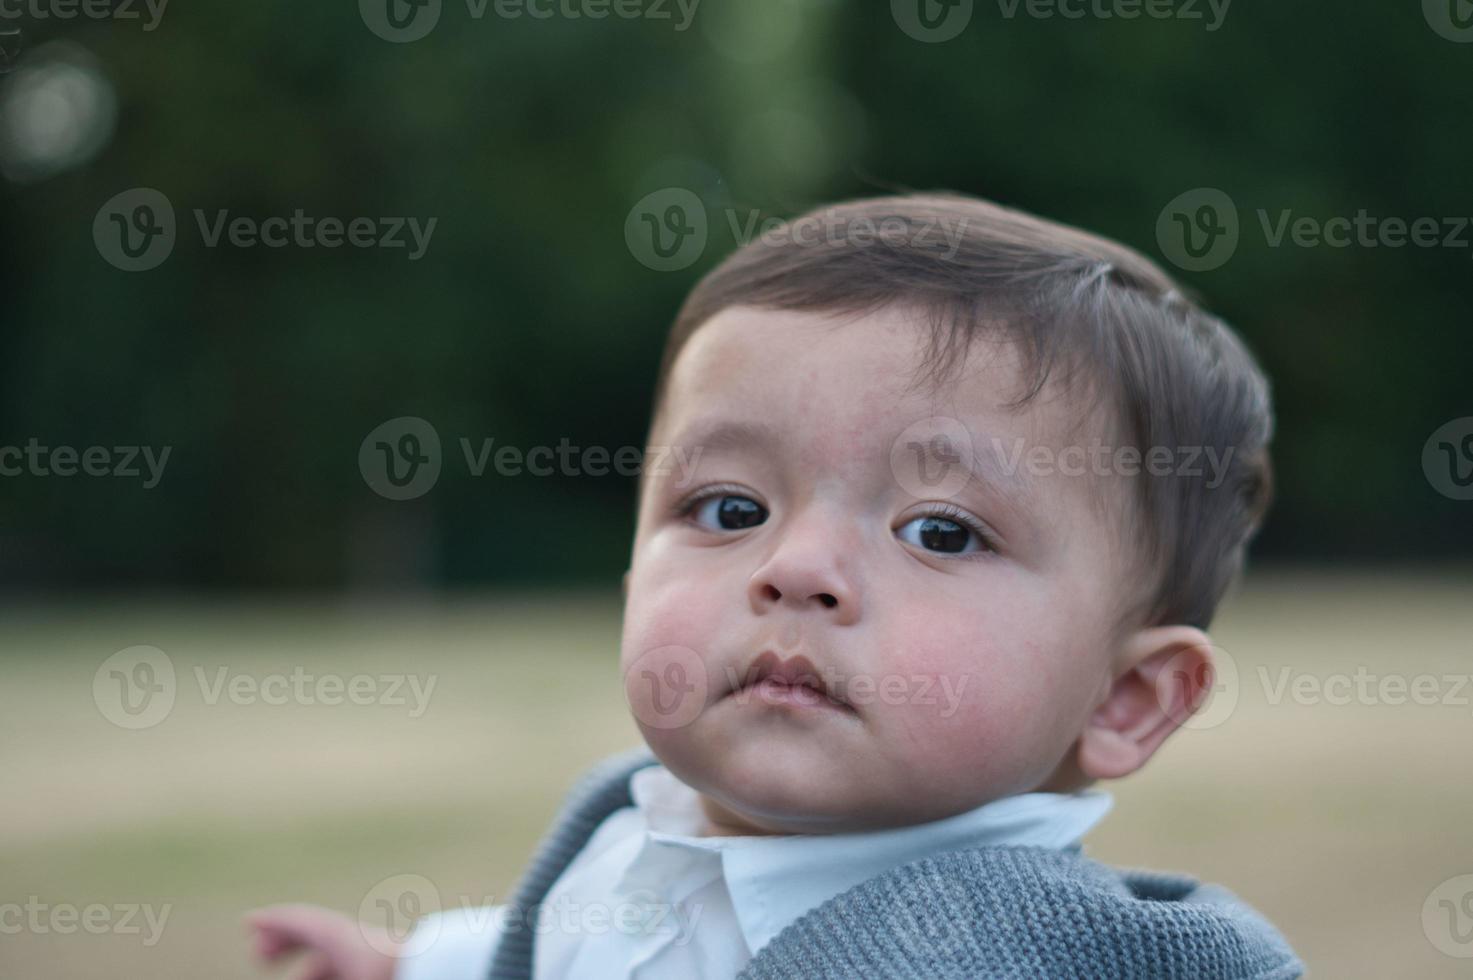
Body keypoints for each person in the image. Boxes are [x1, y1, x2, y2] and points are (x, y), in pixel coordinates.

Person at [246, 193, 1303, 979]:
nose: (794, 567)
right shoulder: (629, 823)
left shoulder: (1060, 953)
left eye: (939, 530)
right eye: (728, 509)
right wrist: (413, 963)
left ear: (1126, 700)